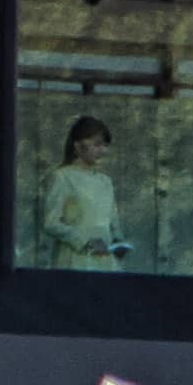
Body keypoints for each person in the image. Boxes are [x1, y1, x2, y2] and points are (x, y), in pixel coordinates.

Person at [42, 115, 127, 272]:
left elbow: (113, 222)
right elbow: (50, 223)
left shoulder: (105, 181)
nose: (102, 150)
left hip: (106, 262)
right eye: (97, 144)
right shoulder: (62, 177)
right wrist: (84, 241)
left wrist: (119, 242)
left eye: (105, 145)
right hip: (75, 260)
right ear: (77, 145)